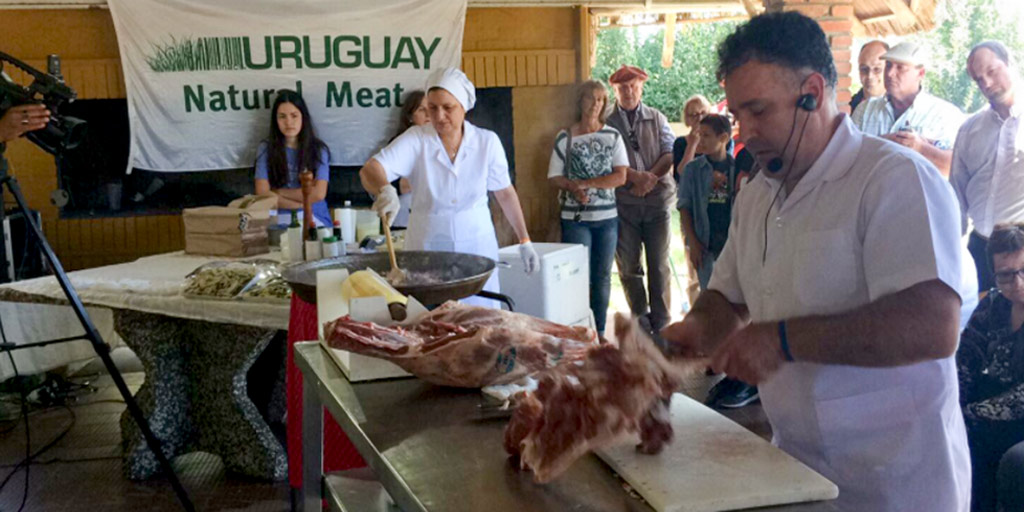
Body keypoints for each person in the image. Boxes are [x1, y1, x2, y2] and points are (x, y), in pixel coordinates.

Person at [661, 12, 970, 510]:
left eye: (759, 111)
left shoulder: (895, 180)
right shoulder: (758, 195)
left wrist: (782, 340)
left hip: (896, 482)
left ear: (811, 92)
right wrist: (692, 332)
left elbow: (933, 325)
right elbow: (726, 297)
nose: (746, 131)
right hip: (795, 469)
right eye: (739, 115)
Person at [359, 67, 540, 306]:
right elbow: (371, 168)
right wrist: (385, 189)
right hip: (426, 250)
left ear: (464, 106)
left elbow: (505, 193)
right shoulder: (417, 139)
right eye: (432, 108)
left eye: (448, 108)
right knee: (431, 322)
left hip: (477, 249)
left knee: (480, 321)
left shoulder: (487, 142)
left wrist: (524, 240)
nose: (439, 116)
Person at [676, 113, 758, 408]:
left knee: (740, 301)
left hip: (732, 241)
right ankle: (714, 354)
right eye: (698, 135)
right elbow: (684, 207)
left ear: (724, 138)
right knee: (713, 294)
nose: (700, 141)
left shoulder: (740, 166)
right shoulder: (693, 170)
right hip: (707, 243)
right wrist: (693, 242)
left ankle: (732, 359)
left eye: (707, 136)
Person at [547, 80, 628, 335]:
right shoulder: (565, 137)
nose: (595, 104)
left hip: (607, 219)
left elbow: (621, 176)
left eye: (601, 99)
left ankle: (600, 331)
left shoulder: (612, 136)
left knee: (603, 277)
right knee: (578, 276)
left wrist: (588, 183)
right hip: (575, 218)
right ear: (580, 101)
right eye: (591, 98)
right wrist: (572, 187)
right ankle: (581, 329)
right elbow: (553, 176)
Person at [957, 224, 1024, 512]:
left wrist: (970, 415)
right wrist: (951, 409)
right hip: (983, 407)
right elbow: (964, 362)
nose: (1018, 283)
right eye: (1007, 275)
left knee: (975, 441)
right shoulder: (992, 306)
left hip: (1017, 416)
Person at [605, 65, 676, 335]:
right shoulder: (608, 123)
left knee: (658, 263)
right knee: (629, 265)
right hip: (625, 205)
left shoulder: (657, 118)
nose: (629, 91)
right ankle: (641, 319)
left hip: (657, 203)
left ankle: (662, 321)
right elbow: (606, 162)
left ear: (642, 87)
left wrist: (649, 180)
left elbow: (669, 153)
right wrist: (634, 177)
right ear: (615, 90)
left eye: (633, 86)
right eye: (623, 88)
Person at [951, 40, 1022, 294]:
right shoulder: (970, 130)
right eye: (979, 79)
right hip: (980, 248)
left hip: (1021, 249)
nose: (987, 84)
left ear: (1010, 62)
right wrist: (951, 248)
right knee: (979, 325)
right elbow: (956, 192)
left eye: (992, 72)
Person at [852, 41, 966, 176]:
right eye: (888, 65)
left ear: (921, 73)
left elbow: (959, 167)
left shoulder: (945, 115)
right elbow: (846, 158)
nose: (890, 74)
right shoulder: (864, 110)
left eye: (900, 67)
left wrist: (921, 148)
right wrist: (883, 143)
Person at [254, 90, 332, 227]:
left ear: (303, 117)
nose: (288, 122)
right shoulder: (265, 149)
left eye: (294, 116)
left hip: (314, 217)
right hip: (279, 218)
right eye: (282, 117)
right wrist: (300, 204)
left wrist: (277, 192)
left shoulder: (319, 150)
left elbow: (318, 194)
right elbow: (262, 193)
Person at [389, 89, 429, 229]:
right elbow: (397, 186)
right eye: (421, 109)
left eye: (431, 108)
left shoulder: (445, 143)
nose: (428, 115)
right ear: (410, 116)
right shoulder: (398, 144)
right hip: (403, 219)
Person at [672, 94, 713, 177]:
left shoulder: (719, 140)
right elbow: (680, 174)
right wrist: (692, 145)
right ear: (687, 119)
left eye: (703, 113)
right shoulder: (680, 143)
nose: (700, 118)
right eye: (694, 115)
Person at [850, 40, 889, 112]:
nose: (870, 76)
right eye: (864, 69)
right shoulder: (849, 108)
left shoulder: (899, 110)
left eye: (877, 69)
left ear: (889, 70)